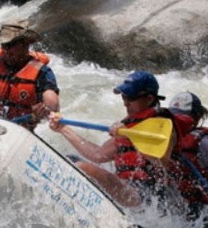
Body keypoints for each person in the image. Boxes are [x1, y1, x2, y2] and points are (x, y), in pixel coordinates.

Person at [48, 70, 173, 208]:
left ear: (149, 99)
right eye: (124, 97)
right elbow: (98, 155)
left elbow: (163, 161)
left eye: (130, 98)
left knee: (83, 168)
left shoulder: (162, 124)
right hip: (126, 188)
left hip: (148, 196)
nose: (125, 103)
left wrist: (129, 135)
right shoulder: (130, 123)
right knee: (71, 160)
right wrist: (63, 129)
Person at [0, 20, 60, 131]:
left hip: (20, 131)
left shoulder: (42, 73)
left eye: (10, 45)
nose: (6, 50)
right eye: (3, 45)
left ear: (25, 44)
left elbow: (52, 106)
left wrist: (41, 113)